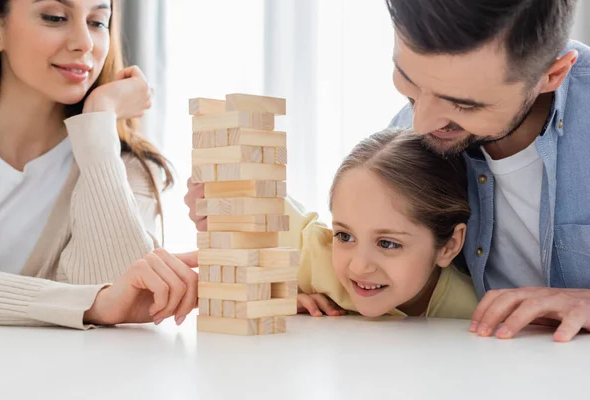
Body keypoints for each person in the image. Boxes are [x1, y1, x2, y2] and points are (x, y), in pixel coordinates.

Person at [188, 0, 590, 342]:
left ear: (551, 75)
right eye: (409, 83)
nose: (421, 123)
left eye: (462, 105)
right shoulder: (417, 134)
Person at [0, 0, 197, 329]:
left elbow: (123, 296)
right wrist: (86, 304)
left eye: (98, 22)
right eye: (55, 17)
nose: (84, 42)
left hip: (71, 378)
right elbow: (102, 300)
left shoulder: (130, 170)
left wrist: (100, 117)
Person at [287, 128, 477, 319]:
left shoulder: (474, 313)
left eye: (387, 243)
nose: (359, 267)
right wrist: (270, 300)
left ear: (448, 246)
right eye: (345, 236)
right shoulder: (314, 258)